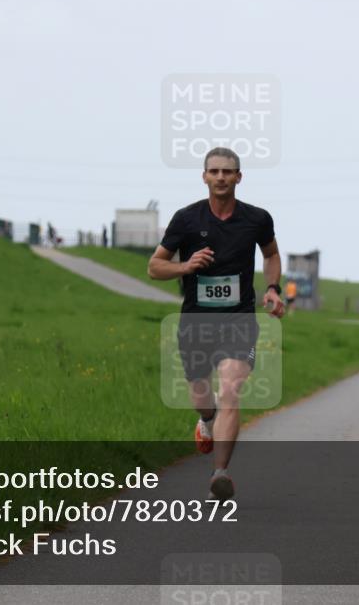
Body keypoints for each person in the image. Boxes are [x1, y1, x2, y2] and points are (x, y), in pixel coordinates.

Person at [148, 147, 284, 501]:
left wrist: (272, 288)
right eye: (215, 171)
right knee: (202, 396)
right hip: (196, 321)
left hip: (239, 319)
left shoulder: (257, 219)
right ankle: (206, 421)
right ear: (204, 176)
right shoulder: (186, 220)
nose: (221, 177)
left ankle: (219, 474)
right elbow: (154, 267)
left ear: (239, 177)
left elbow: (270, 254)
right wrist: (186, 266)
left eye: (228, 171)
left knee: (231, 388)